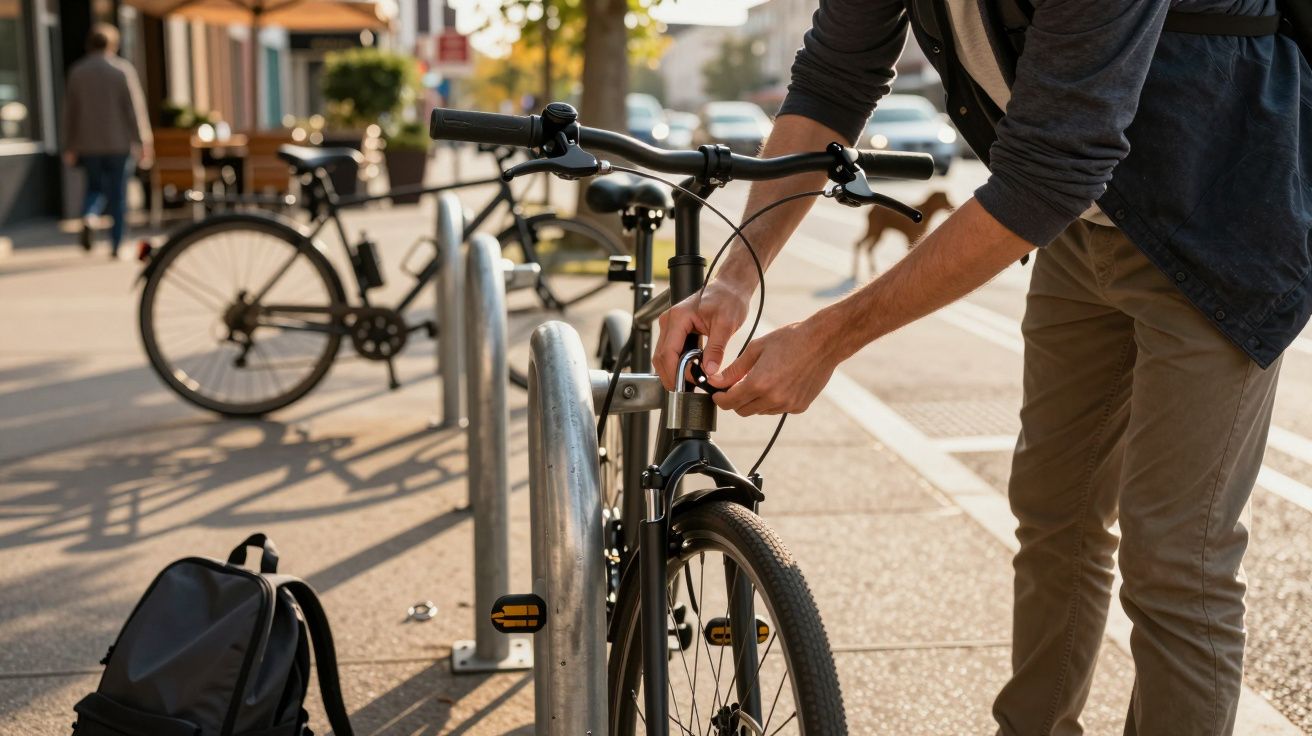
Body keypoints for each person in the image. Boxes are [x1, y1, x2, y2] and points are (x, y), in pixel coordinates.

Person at [654, 1, 1309, 734]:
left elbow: (1052, 166)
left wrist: (831, 336)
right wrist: (734, 277)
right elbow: (835, 78)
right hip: (1082, 225)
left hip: (1218, 217)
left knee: (1176, 561)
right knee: (1055, 518)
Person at [61, 23, 153, 258]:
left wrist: (69, 144)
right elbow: (135, 109)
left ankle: (90, 216)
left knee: (94, 188)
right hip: (119, 143)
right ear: (113, 44)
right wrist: (143, 141)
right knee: (118, 195)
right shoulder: (122, 70)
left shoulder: (77, 71)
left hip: (88, 143)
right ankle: (116, 244)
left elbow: (69, 111)